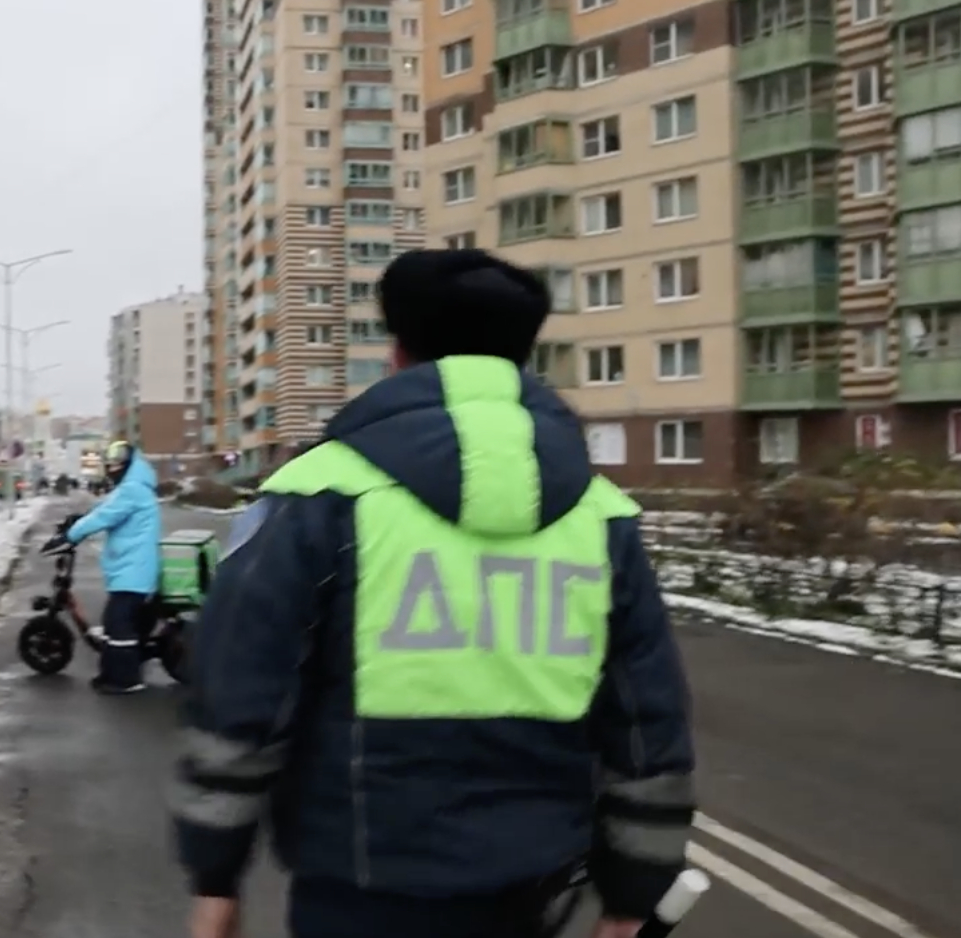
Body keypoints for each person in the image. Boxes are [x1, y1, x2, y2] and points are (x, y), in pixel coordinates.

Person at [170, 249, 696, 938]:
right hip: (531, 890)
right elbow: (645, 719)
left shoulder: (318, 494)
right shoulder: (598, 514)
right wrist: (633, 893)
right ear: (520, 357)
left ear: (395, 353)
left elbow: (241, 693)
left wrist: (215, 872)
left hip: (358, 889)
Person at [43, 440, 162, 694]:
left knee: (119, 626)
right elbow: (104, 509)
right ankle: (110, 673)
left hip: (133, 571)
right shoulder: (131, 488)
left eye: (116, 464)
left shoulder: (133, 490)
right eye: (109, 464)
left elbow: (105, 516)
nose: (111, 469)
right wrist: (77, 520)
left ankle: (126, 680)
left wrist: (71, 535)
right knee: (114, 623)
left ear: (128, 465)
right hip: (130, 569)